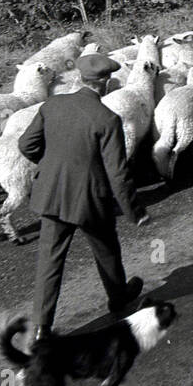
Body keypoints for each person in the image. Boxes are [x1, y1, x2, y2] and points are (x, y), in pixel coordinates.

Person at [18, 52, 149, 348]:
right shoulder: (107, 119)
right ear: (105, 82)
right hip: (90, 199)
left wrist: (51, 164)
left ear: (80, 77)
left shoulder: (53, 105)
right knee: (106, 250)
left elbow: (26, 145)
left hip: (51, 195)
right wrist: (135, 211)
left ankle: (41, 328)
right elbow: (118, 173)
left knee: (49, 262)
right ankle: (118, 298)